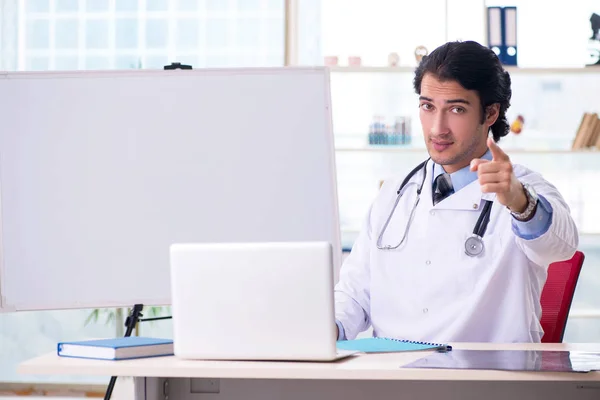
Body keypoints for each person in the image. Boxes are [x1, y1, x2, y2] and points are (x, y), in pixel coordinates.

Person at [334, 40, 579, 343]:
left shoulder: (523, 189)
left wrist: (521, 202)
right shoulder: (395, 193)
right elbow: (355, 294)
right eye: (427, 107)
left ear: (490, 113)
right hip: (393, 377)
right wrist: (329, 328)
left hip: (487, 380)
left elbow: (561, 245)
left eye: (457, 109)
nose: (438, 128)